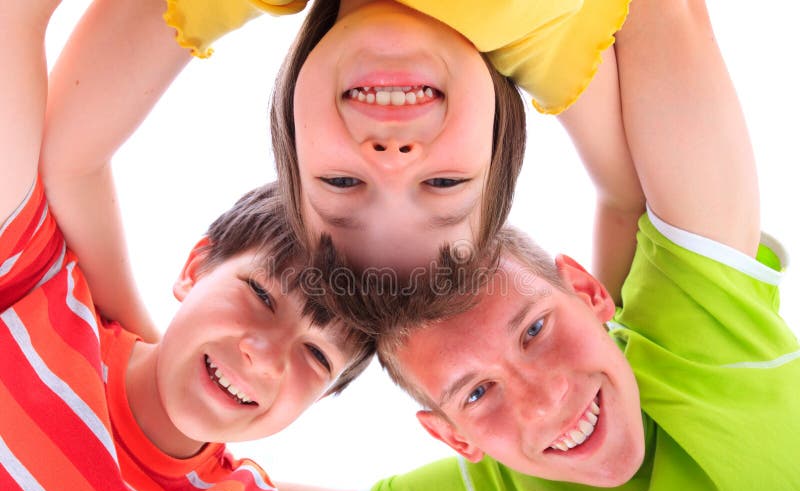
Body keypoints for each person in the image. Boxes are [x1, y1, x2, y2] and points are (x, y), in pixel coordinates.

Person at [275, 0, 800, 491]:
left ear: (588, 291)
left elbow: (664, 14)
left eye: (535, 330)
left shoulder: (697, 345)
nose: (546, 402)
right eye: (476, 394)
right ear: (455, 437)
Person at [42, 0, 640, 345]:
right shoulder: (544, 33)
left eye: (343, 184)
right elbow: (627, 200)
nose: (391, 159)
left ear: (293, 139)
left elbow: (71, 160)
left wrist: (145, 350)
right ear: (497, 144)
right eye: (442, 185)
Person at [0, 2, 373, 491]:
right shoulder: (38, 291)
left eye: (317, 355)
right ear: (195, 266)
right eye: (262, 295)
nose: (264, 357)